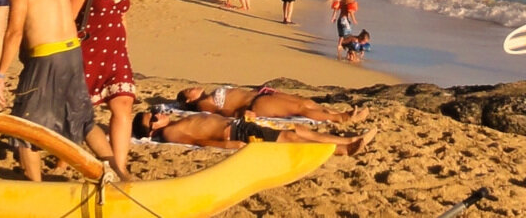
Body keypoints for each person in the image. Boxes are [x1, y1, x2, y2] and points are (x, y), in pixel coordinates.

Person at [0, 0, 114, 181]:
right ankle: (120, 173)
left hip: (47, 56)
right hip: (72, 51)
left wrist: (1, 74)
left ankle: (37, 189)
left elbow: (14, 32)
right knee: (84, 119)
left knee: (26, 125)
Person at [69, 0, 141, 181]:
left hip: (116, 50)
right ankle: (63, 157)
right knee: (81, 111)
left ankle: (120, 168)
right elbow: (69, 17)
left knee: (123, 104)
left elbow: (121, 16)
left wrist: (126, 45)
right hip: (88, 50)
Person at [134, 107, 375, 154]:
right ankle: (341, 150)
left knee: (297, 128)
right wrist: (228, 145)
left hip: (240, 124)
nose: (159, 113)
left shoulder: (174, 123)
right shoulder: (169, 134)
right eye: (154, 116)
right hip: (237, 134)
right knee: (289, 138)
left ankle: (351, 138)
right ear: (152, 128)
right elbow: (199, 142)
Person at [177, 84, 368, 123]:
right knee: (300, 108)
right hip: (257, 105)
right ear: (189, 100)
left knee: (307, 102)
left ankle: (349, 113)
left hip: (260, 95)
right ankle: (341, 118)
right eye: (188, 90)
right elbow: (222, 113)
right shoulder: (203, 104)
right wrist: (242, 115)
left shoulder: (210, 93)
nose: (192, 87)